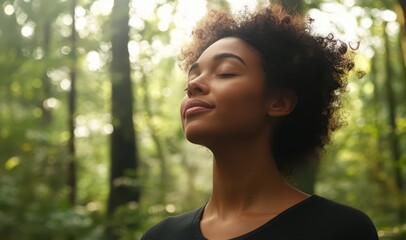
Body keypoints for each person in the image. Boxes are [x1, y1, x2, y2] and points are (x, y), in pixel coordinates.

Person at [142, 4, 378, 240]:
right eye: (191, 79)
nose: (193, 86)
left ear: (279, 102)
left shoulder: (340, 230)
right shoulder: (160, 236)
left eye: (225, 72)